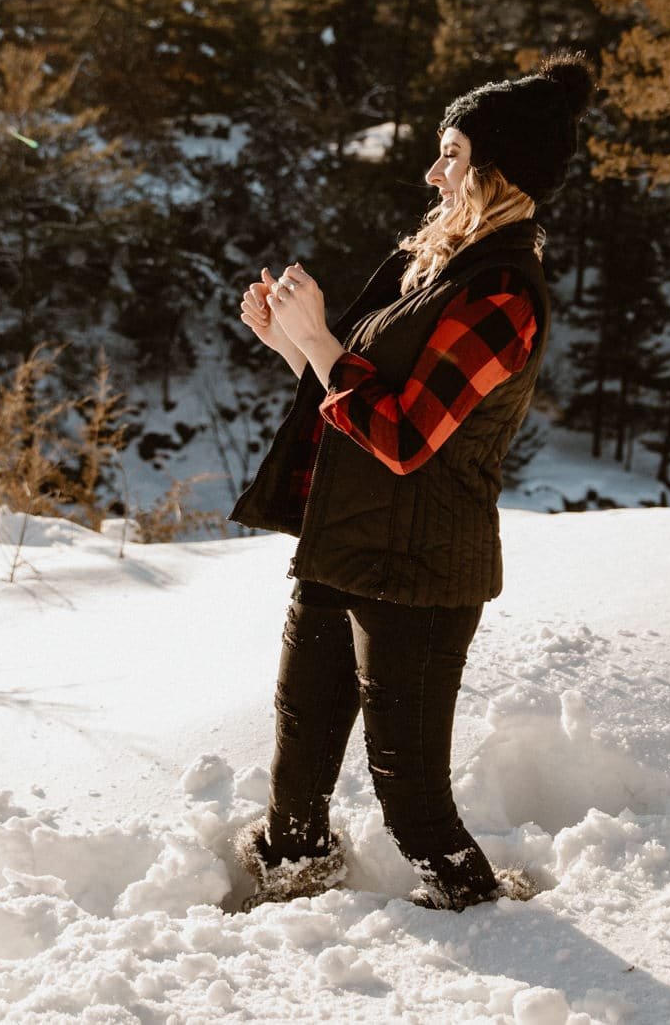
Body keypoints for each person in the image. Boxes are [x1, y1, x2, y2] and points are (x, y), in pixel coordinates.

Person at [227, 53, 593, 911]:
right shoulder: (433, 268)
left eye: (453, 154)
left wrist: (322, 342)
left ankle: (485, 919)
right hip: (345, 540)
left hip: (423, 568)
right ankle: (288, 892)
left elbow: (400, 436)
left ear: (499, 172)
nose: (433, 172)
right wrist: (291, 341)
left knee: (414, 808)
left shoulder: (503, 293)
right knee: (297, 782)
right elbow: (359, 396)